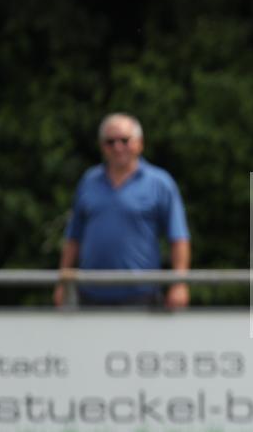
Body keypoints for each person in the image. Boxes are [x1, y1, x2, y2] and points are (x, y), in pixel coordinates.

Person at [53, 113, 191, 308]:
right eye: (110, 141)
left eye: (124, 140)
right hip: (90, 296)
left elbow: (179, 238)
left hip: (141, 297)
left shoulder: (160, 183)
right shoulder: (88, 182)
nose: (118, 147)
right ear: (102, 147)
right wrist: (63, 283)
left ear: (140, 143)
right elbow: (73, 237)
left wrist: (179, 284)